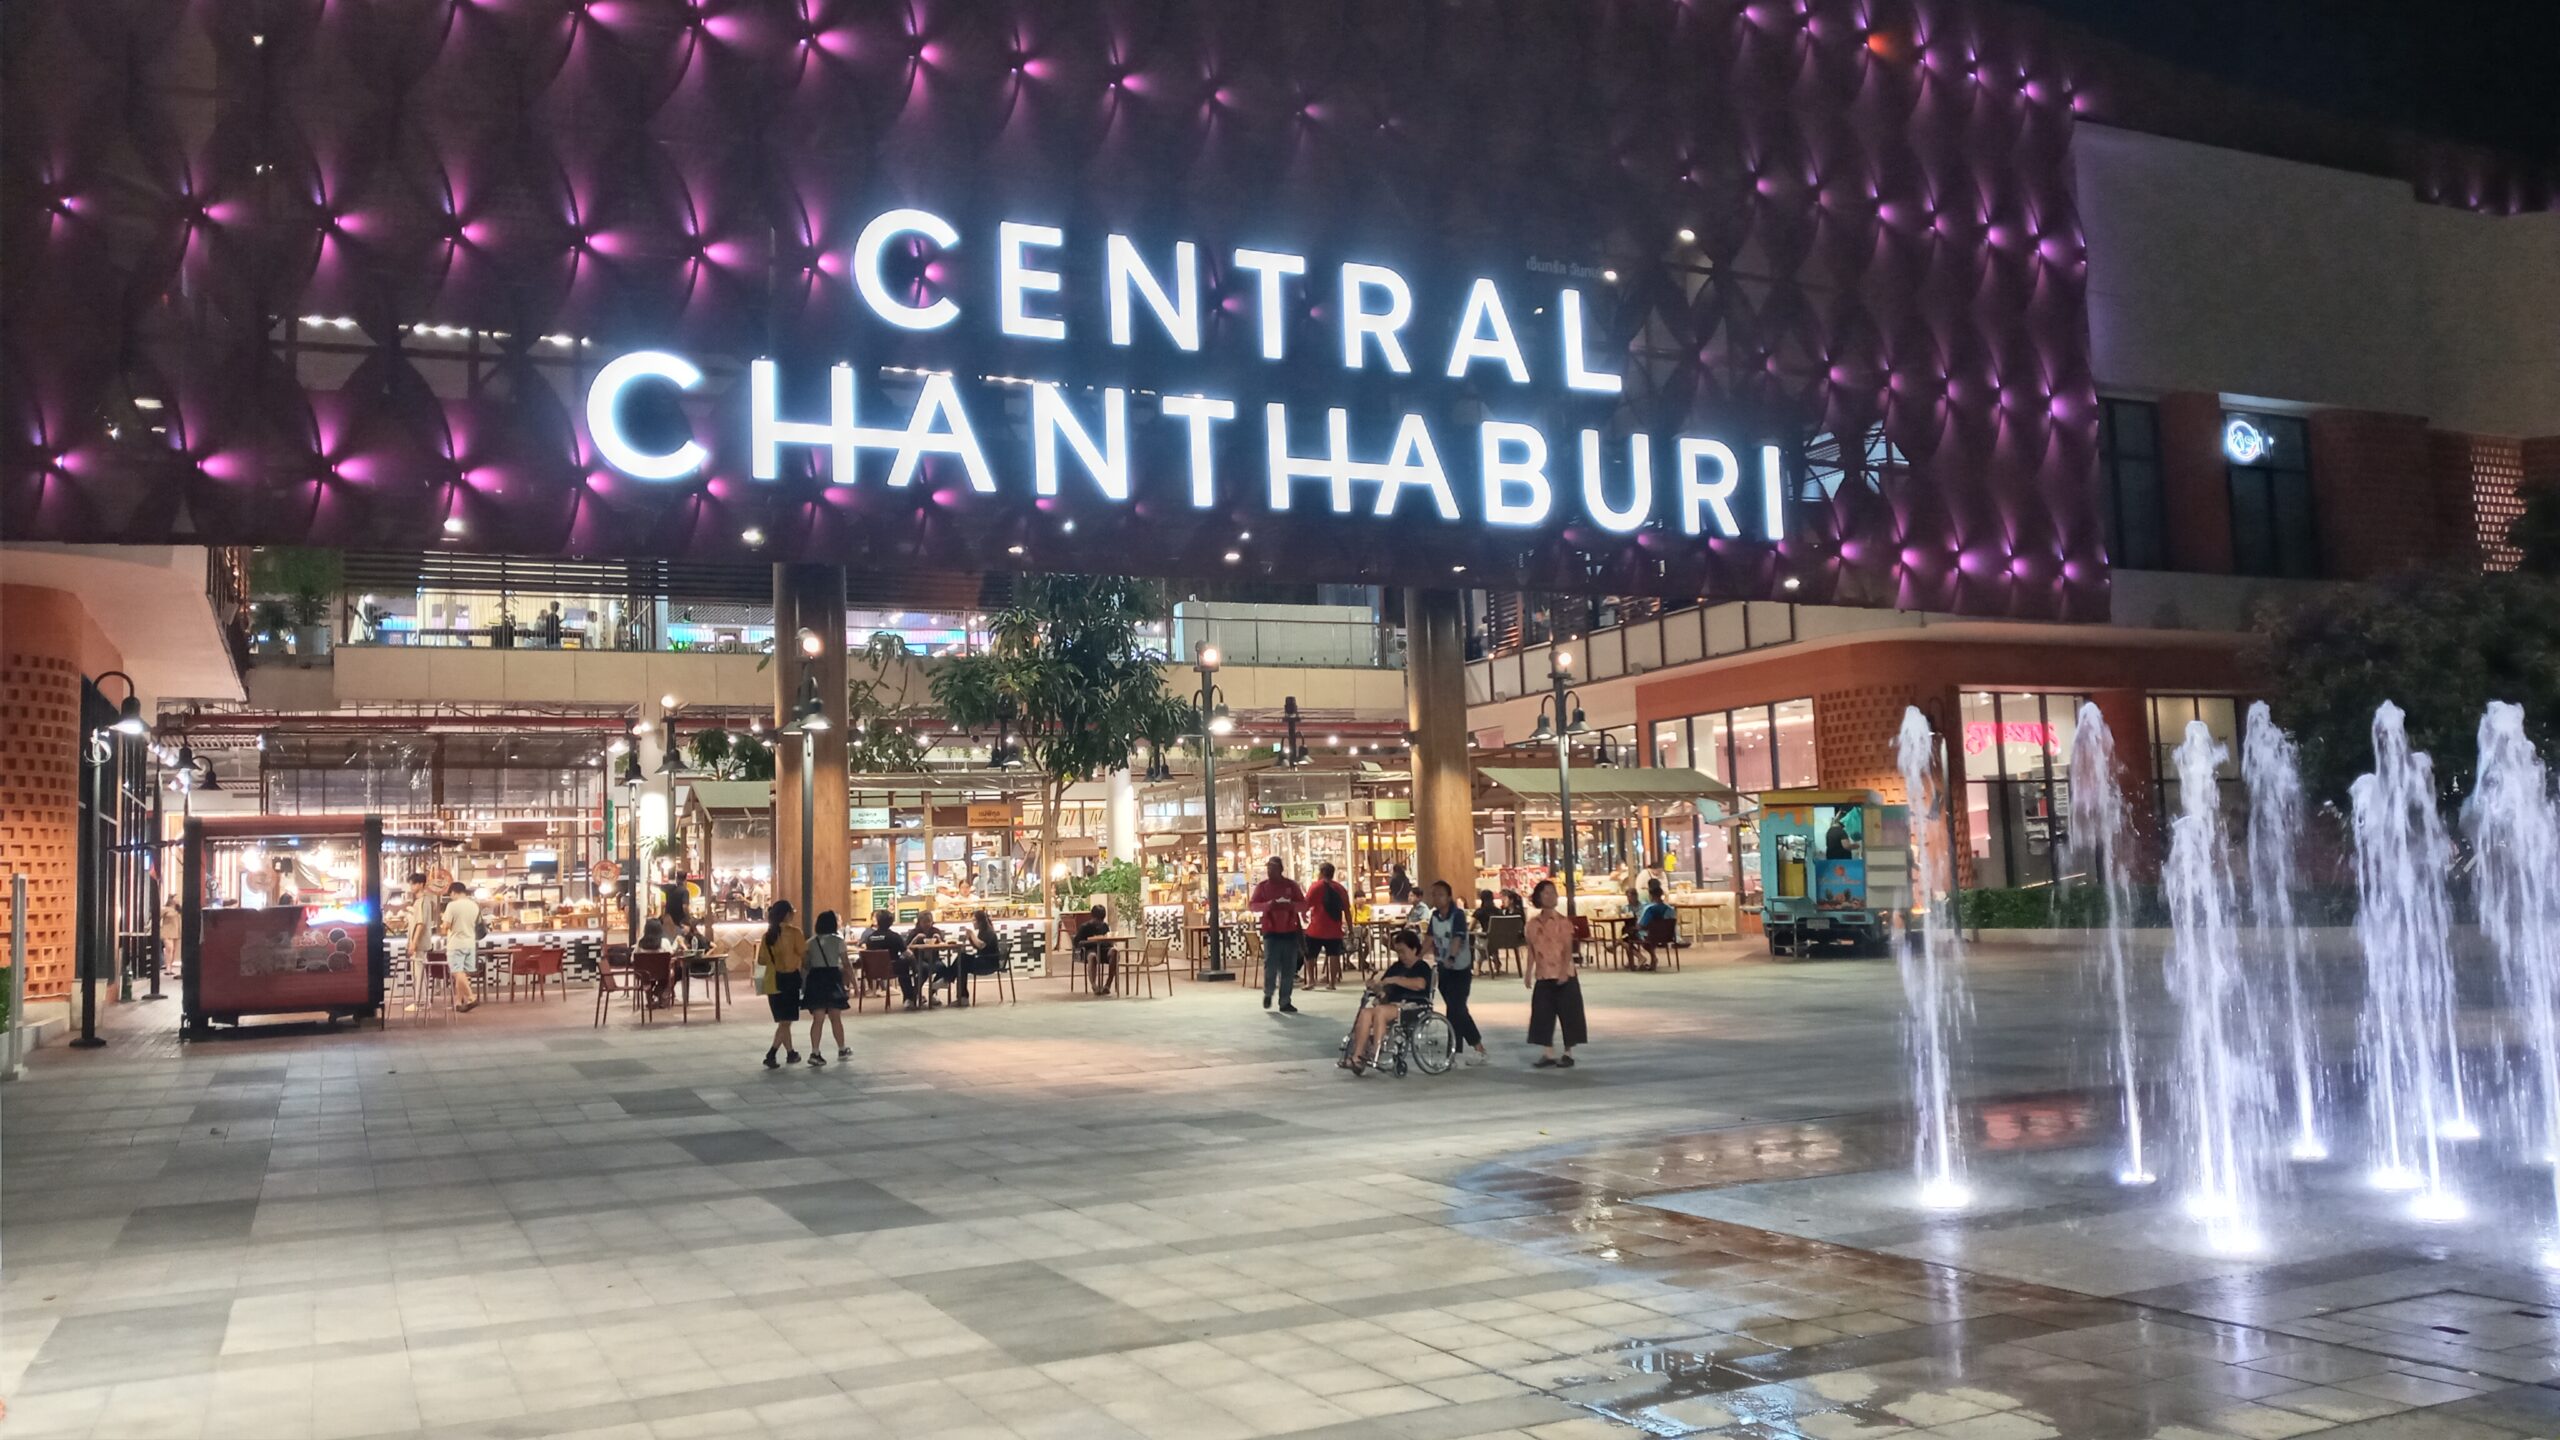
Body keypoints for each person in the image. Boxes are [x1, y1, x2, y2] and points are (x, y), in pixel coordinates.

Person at [1341, 928, 1434, 1074]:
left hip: (1414, 1005)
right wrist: (1375, 986)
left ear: (1414, 949)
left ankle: (1375, 1052)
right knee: (1365, 1013)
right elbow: (1383, 987)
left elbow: (1420, 984)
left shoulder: (1421, 967)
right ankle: (1357, 1056)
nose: (1401, 956)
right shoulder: (1396, 967)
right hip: (1392, 1005)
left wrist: (1396, 980)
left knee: (1380, 1011)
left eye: (1403, 951)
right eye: (1398, 952)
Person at [1425, 880, 1488, 1065]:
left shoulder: (1457, 915)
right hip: (1443, 969)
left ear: (1449, 897)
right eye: (1434, 894)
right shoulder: (1435, 916)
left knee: (1455, 1009)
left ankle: (1455, 1051)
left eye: (1440, 894)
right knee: (1457, 1009)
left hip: (1460, 969)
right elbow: (1429, 938)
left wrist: (1451, 957)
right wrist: (1417, 956)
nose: (1436, 898)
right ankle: (1477, 1048)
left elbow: (1457, 939)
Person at [1523, 879, 1585, 1068]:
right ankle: (1548, 1053)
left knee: (1569, 1014)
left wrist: (1564, 971)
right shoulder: (1532, 924)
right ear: (1539, 897)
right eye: (1547, 893)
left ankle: (1568, 1053)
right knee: (1542, 1014)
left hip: (1564, 974)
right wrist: (1528, 971)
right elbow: (1531, 949)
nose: (1551, 896)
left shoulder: (1563, 922)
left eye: (1554, 892)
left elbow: (1567, 949)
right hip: (1543, 974)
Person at [1248, 857, 1306, 1013]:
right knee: (1271, 966)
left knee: (1288, 969)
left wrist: (1291, 905)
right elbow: (1253, 906)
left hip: (1290, 932)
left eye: (1273, 868)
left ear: (1280, 869)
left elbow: (1303, 905)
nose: (1270, 871)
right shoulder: (1262, 887)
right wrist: (1268, 905)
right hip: (1271, 932)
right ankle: (1268, 992)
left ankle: (1285, 1001)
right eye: (1268, 868)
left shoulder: (1291, 886)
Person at [759, 900, 807, 1068]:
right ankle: (771, 1054)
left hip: (772, 982)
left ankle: (791, 1053)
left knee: (783, 1021)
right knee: (786, 1021)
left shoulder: (767, 935)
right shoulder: (795, 933)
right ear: (787, 914)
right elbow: (803, 953)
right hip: (789, 980)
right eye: (792, 911)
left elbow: (761, 960)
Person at [803, 910, 850, 1064]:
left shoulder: (810, 942)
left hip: (816, 979)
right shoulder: (838, 941)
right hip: (833, 978)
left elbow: (805, 964)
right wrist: (852, 983)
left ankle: (815, 1052)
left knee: (818, 1019)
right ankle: (842, 1049)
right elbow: (846, 963)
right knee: (836, 1017)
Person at [1302, 861, 1351, 990]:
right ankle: (1332, 983)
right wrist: (1350, 928)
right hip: (1334, 928)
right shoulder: (1340, 888)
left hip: (1316, 928)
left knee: (1310, 955)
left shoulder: (1316, 887)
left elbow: (1306, 904)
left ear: (1322, 872)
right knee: (1334, 955)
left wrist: (1303, 915)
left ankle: (1311, 981)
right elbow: (1347, 910)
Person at [863, 910, 917, 1008]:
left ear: (878, 921)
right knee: (906, 963)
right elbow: (906, 953)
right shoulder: (894, 937)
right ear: (891, 922)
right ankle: (911, 996)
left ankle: (913, 994)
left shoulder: (870, 938)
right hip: (891, 969)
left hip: (872, 971)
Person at [440, 886, 481, 1012]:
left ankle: (471, 997)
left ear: (453, 892)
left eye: (450, 894)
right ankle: (458, 1003)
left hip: (456, 944)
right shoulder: (474, 905)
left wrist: (442, 923)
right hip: (470, 943)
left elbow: (446, 926)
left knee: (456, 972)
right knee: (462, 975)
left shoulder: (452, 906)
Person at [957, 909, 1004, 1005]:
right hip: (984, 960)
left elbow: (981, 945)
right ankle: (961, 995)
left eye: (974, 920)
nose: (973, 922)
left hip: (989, 963)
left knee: (962, 961)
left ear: (980, 921)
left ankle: (948, 981)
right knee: (961, 959)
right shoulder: (983, 931)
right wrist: (970, 939)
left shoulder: (989, 932)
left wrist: (972, 934)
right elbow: (977, 947)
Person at [909, 908, 954, 1005]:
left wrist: (939, 940)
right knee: (924, 969)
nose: (927, 924)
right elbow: (908, 949)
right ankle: (916, 994)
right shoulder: (914, 932)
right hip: (918, 960)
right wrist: (915, 939)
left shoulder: (935, 931)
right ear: (919, 922)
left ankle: (932, 992)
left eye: (929, 921)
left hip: (934, 960)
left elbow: (943, 949)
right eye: (924, 922)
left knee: (942, 967)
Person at [1074, 903, 1117, 995]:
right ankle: (1094, 985)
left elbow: (1108, 939)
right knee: (1092, 956)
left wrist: (1109, 941)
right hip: (1089, 950)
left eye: (1101, 920)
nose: (1099, 922)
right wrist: (1093, 941)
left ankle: (1108, 984)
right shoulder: (1085, 927)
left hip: (1103, 949)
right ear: (1092, 917)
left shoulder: (1105, 926)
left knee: (1114, 952)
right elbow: (1077, 943)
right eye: (1097, 920)